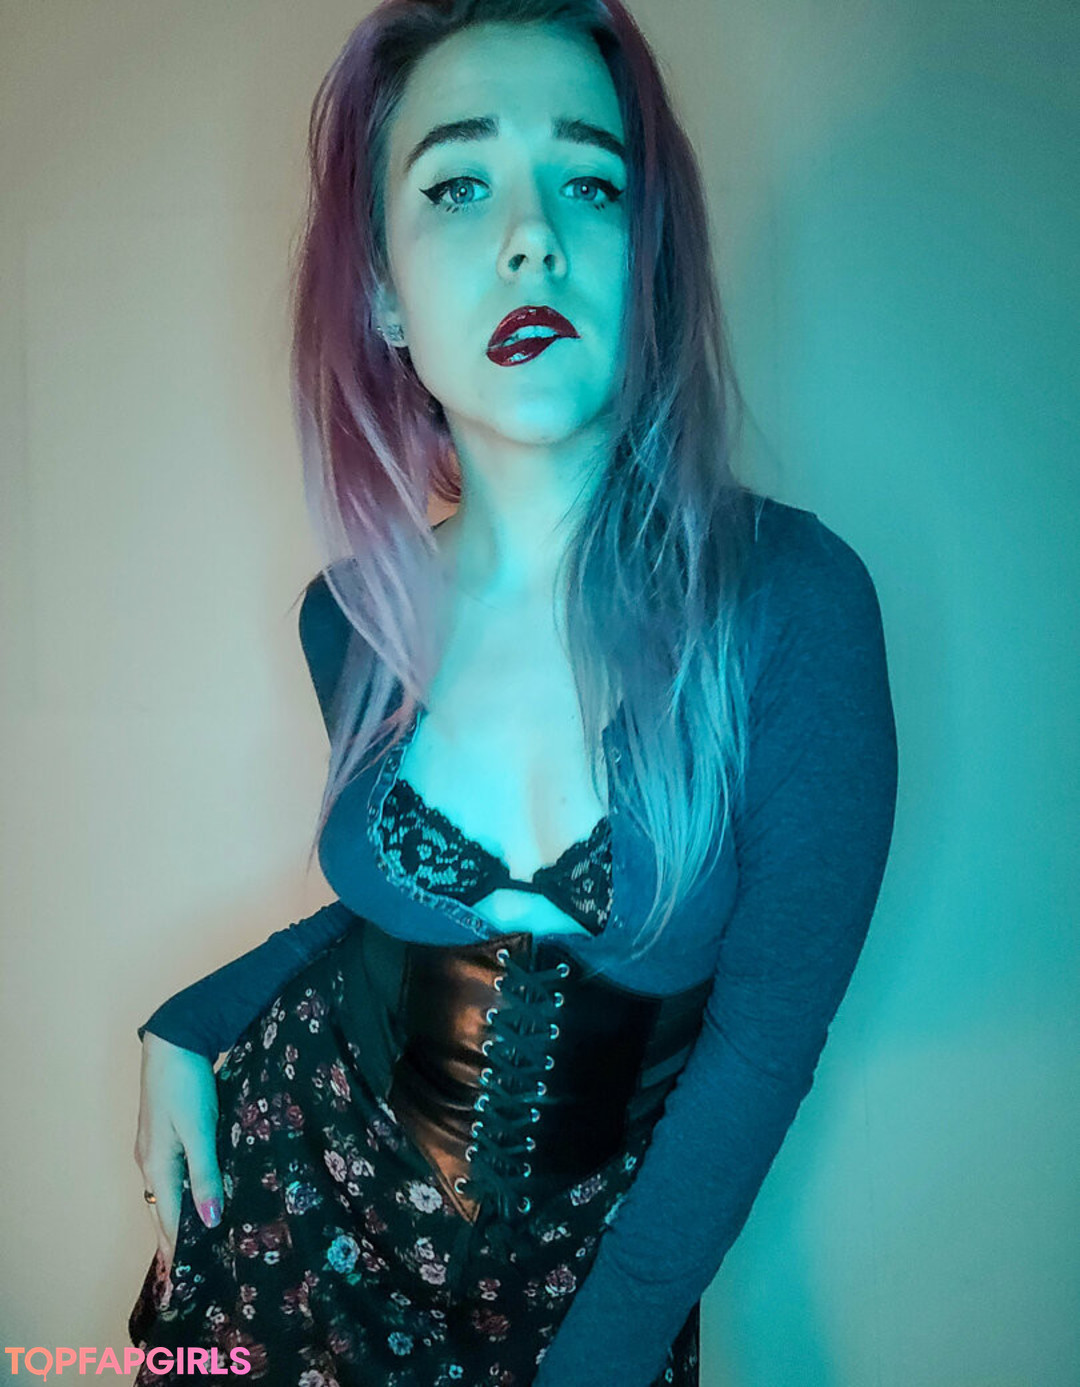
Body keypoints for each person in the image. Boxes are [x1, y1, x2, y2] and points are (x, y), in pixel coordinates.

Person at [128, 1, 899, 1384]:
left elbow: (762, 1045)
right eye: (459, 184)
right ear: (383, 293)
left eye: (590, 182)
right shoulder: (350, 614)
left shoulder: (791, 606)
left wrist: (601, 1360)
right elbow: (385, 920)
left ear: (647, 261)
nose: (532, 236)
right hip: (296, 1221)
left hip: (587, 1296)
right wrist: (192, 1019)